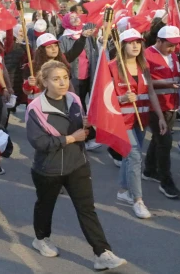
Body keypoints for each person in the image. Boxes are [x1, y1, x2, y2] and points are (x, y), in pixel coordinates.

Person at [25, 60, 126, 270]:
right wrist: (71, 138)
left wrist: (90, 127)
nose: (62, 83)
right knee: (45, 206)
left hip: (78, 164)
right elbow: (40, 142)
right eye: (55, 79)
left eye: (65, 78)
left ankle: (102, 252)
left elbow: (87, 134)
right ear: (44, 81)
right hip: (48, 170)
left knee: (87, 209)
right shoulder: (35, 108)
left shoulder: (74, 99)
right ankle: (41, 239)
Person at [109, 29, 166, 219]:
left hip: (141, 119)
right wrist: (123, 97)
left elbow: (150, 93)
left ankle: (124, 191)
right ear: (122, 45)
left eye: (138, 42)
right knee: (134, 156)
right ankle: (138, 200)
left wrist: (160, 116)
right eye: (130, 42)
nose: (135, 45)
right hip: (121, 120)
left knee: (131, 155)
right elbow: (102, 98)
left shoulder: (144, 67)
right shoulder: (111, 67)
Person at [143, 25, 180, 199]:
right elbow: (145, 84)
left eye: (175, 44)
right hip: (155, 107)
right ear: (159, 41)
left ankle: (149, 170)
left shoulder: (173, 55)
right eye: (169, 44)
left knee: (158, 140)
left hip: (172, 104)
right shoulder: (146, 56)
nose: (173, 48)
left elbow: (175, 77)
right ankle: (166, 181)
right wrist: (168, 85)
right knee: (165, 143)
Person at [58, 11, 100, 150]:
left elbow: (93, 54)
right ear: (66, 22)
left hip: (88, 76)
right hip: (74, 77)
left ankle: (86, 135)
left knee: (89, 105)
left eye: (77, 17)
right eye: (72, 18)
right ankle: (89, 136)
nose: (76, 19)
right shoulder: (63, 39)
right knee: (79, 106)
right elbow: (66, 59)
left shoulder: (86, 36)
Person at [22, 33, 80, 103]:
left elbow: (69, 86)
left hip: (60, 104)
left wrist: (74, 101)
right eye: (49, 47)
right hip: (38, 106)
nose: (54, 49)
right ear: (41, 50)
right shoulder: (30, 66)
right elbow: (27, 92)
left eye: (56, 46)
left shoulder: (62, 64)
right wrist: (29, 84)